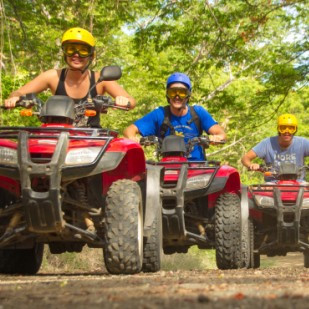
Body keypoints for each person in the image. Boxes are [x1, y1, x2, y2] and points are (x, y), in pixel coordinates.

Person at [4, 27, 136, 127]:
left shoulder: (100, 79)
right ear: (64, 53)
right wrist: (15, 98)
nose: (76, 54)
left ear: (91, 56)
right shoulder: (53, 76)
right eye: (70, 49)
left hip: (92, 140)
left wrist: (123, 100)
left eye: (83, 50)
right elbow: (19, 92)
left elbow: (132, 101)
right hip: (55, 135)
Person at [123, 72, 226, 161]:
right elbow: (129, 130)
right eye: (173, 92)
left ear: (188, 95)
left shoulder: (198, 112)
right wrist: (133, 138)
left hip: (197, 168)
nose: (177, 97)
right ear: (167, 95)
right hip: (168, 167)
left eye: (182, 92)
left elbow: (221, 133)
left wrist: (217, 138)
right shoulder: (159, 114)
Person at [241, 113, 309, 181]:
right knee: (257, 190)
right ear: (278, 129)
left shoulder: (302, 143)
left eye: (291, 128)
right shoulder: (267, 143)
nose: (287, 131)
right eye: (283, 128)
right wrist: (251, 165)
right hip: (273, 184)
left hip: (299, 184)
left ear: (295, 130)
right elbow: (245, 158)